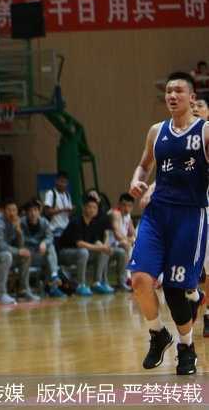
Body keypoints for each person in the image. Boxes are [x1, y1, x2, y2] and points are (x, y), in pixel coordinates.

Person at [128, 71, 208, 375]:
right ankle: (157, 333)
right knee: (139, 280)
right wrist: (138, 181)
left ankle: (186, 346)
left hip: (190, 216)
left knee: (176, 292)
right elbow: (144, 164)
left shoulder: (205, 131)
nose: (172, 96)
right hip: (157, 214)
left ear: (191, 96)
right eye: (168, 92)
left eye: (178, 91)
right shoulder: (156, 131)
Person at [57, 196, 115, 297]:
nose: (92, 210)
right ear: (84, 208)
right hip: (64, 253)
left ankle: (97, 282)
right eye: (90, 207)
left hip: (81, 253)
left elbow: (96, 240)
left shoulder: (92, 223)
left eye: (95, 208)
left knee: (103, 251)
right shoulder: (76, 222)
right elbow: (80, 244)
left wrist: (104, 247)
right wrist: (101, 247)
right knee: (84, 252)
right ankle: (80, 284)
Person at [21, 200, 64, 297]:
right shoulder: (21, 223)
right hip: (27, 257)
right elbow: (22, 241)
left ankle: (54, 277)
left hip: (39, 255)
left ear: (39, 211)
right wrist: (39, 243)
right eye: (30, 211)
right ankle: (52, 285)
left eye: (35, 210)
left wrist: (44, 242)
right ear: (26, 213)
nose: (33, 213)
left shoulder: (44, 222)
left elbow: (50, 237)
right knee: (49, 255)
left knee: (50, 248)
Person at [109, 193, 136, 291]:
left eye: (129, 206)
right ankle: (128, 278)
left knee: (137, 245)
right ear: (119, 205)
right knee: (126, 245)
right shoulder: (115, 213)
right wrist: (130, 240)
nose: (126, 208)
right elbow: (117, 235)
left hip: (121, 243)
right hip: (110, 244)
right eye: (124, 205)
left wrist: (133, 240)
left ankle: (136, 276)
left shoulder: (128, 216)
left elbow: (133, 234)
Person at [43, 171, 74, 238]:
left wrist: (71, 211)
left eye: (65, 182)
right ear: (56, 181)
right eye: (61, 181)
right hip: (55, 229)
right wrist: (62, 210)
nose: (63, 184)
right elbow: (47, 212)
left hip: (66, 227)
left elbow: (69, 215)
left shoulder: (67, 195)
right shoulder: (51, 193)